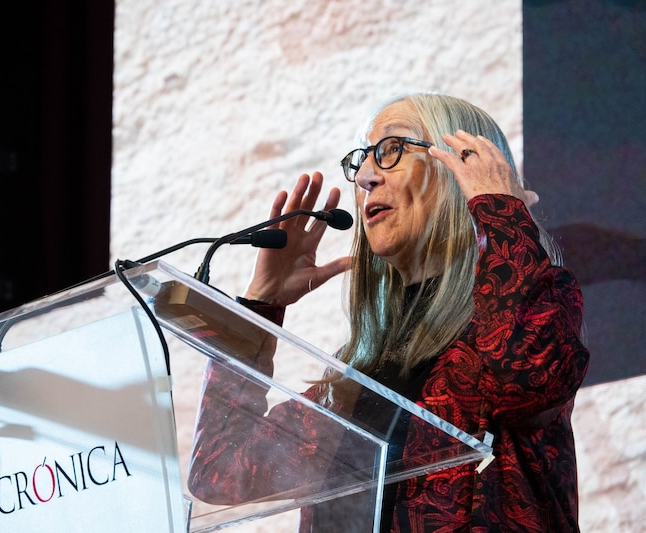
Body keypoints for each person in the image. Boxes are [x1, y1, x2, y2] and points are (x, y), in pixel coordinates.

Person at [186, 92, 589, 532]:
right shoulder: (351, 382)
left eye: (391, 150)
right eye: (361, 159)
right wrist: (259, 308)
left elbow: (521, 375)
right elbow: (218, 472)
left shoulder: (538, 307)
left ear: (464, 166)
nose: (363, 177)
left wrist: (500, 213)